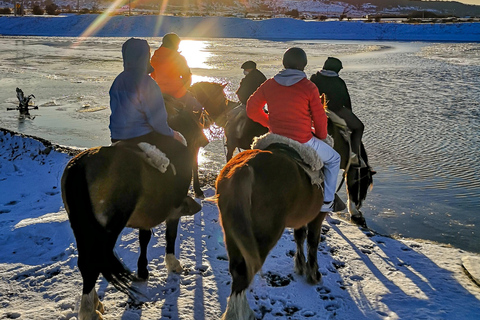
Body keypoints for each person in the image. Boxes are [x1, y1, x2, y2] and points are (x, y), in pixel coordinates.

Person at [246, 47, 341, 213]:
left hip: (275, 137)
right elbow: (320, 120)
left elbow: (251, 109)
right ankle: (327, 201)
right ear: (304, 65)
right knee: (334, 159)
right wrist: (320, 136)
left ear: (284, 63)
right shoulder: (309, 87)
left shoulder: (269, 84)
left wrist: (269, 123)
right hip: (302, 139)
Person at [109, 37, 184, 145]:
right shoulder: (147, 83)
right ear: (145, 57)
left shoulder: (118, 80)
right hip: (141, 136)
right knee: (183, 152)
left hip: (116, 136)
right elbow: (157, 121)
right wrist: (173, 134)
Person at [310, 57, 365, 167]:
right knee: (359, 127)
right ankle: (354, 156)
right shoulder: (339, 82)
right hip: (337, 111)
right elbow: (346, 102)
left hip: (315, 111)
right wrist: (349, 113)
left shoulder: (314, 78)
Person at [150, 33, 202, 112]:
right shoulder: (178, 58)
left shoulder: (155, 57)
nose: (178, 47)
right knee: (198, 107)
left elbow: (152, 75)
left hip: (159, 93)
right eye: (177, 44)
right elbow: (187, 77)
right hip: (177, 92)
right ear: (174, 44)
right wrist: (184, 89)